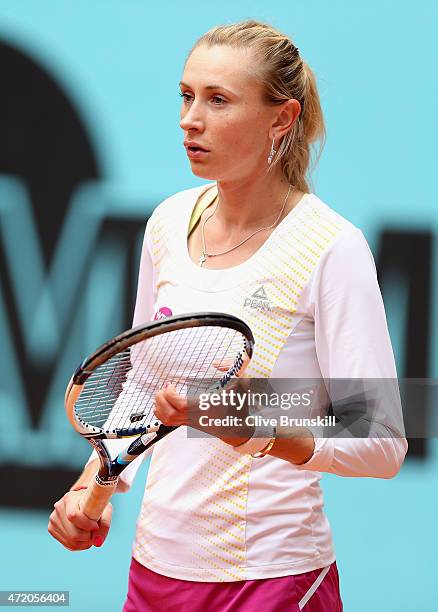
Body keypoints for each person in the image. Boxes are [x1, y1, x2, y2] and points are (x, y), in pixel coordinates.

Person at [48, 20, 407, 611]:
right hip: (155, 570)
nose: (191, 119)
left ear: (281, 119)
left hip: (271, 580)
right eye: (187, 96)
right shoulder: (167, 221)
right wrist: (94, 484)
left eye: (219, 100)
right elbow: (143, 378)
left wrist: (263, 430)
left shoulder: (332, 247)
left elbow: (383, 437)